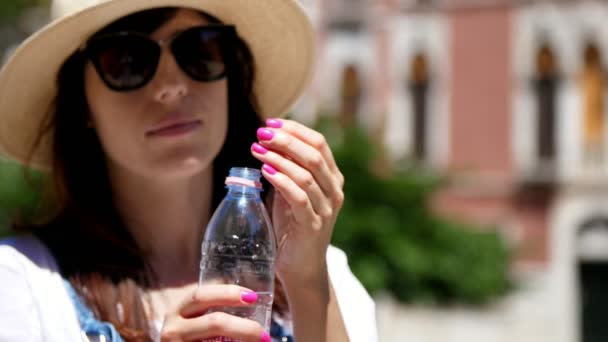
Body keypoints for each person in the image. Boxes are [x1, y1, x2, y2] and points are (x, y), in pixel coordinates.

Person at [0, 0, 378, 341]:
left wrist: (309, 290)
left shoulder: (323, 274)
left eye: (199, 50)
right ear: (80, 101)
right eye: (128, 60)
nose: (172, 86)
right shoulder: (21, 285)